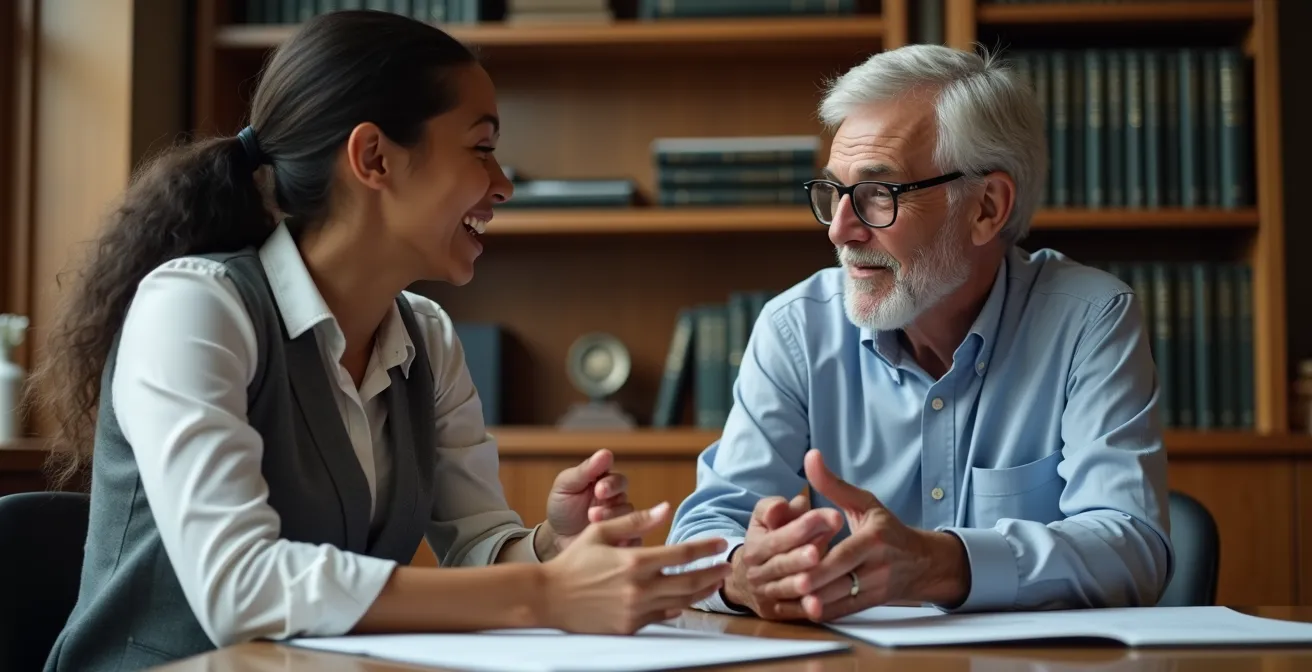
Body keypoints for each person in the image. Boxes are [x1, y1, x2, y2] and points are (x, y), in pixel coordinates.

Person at [29, 11, 730, 671]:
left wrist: (550, 548)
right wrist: (549, 593)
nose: (504, 184)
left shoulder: (426, 337)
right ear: (374, 158)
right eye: (482, 149)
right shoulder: (194, 307)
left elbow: (480, 547)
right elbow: (240, 589)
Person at [666, 44, 1173, 622]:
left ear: (986, 206)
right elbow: (706, 533)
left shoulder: (1089, 320)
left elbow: (1132, 548)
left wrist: (937, 562)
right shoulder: (796, 328)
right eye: (832, 192)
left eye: (878, 194)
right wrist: (744, 575)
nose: (840, 230)